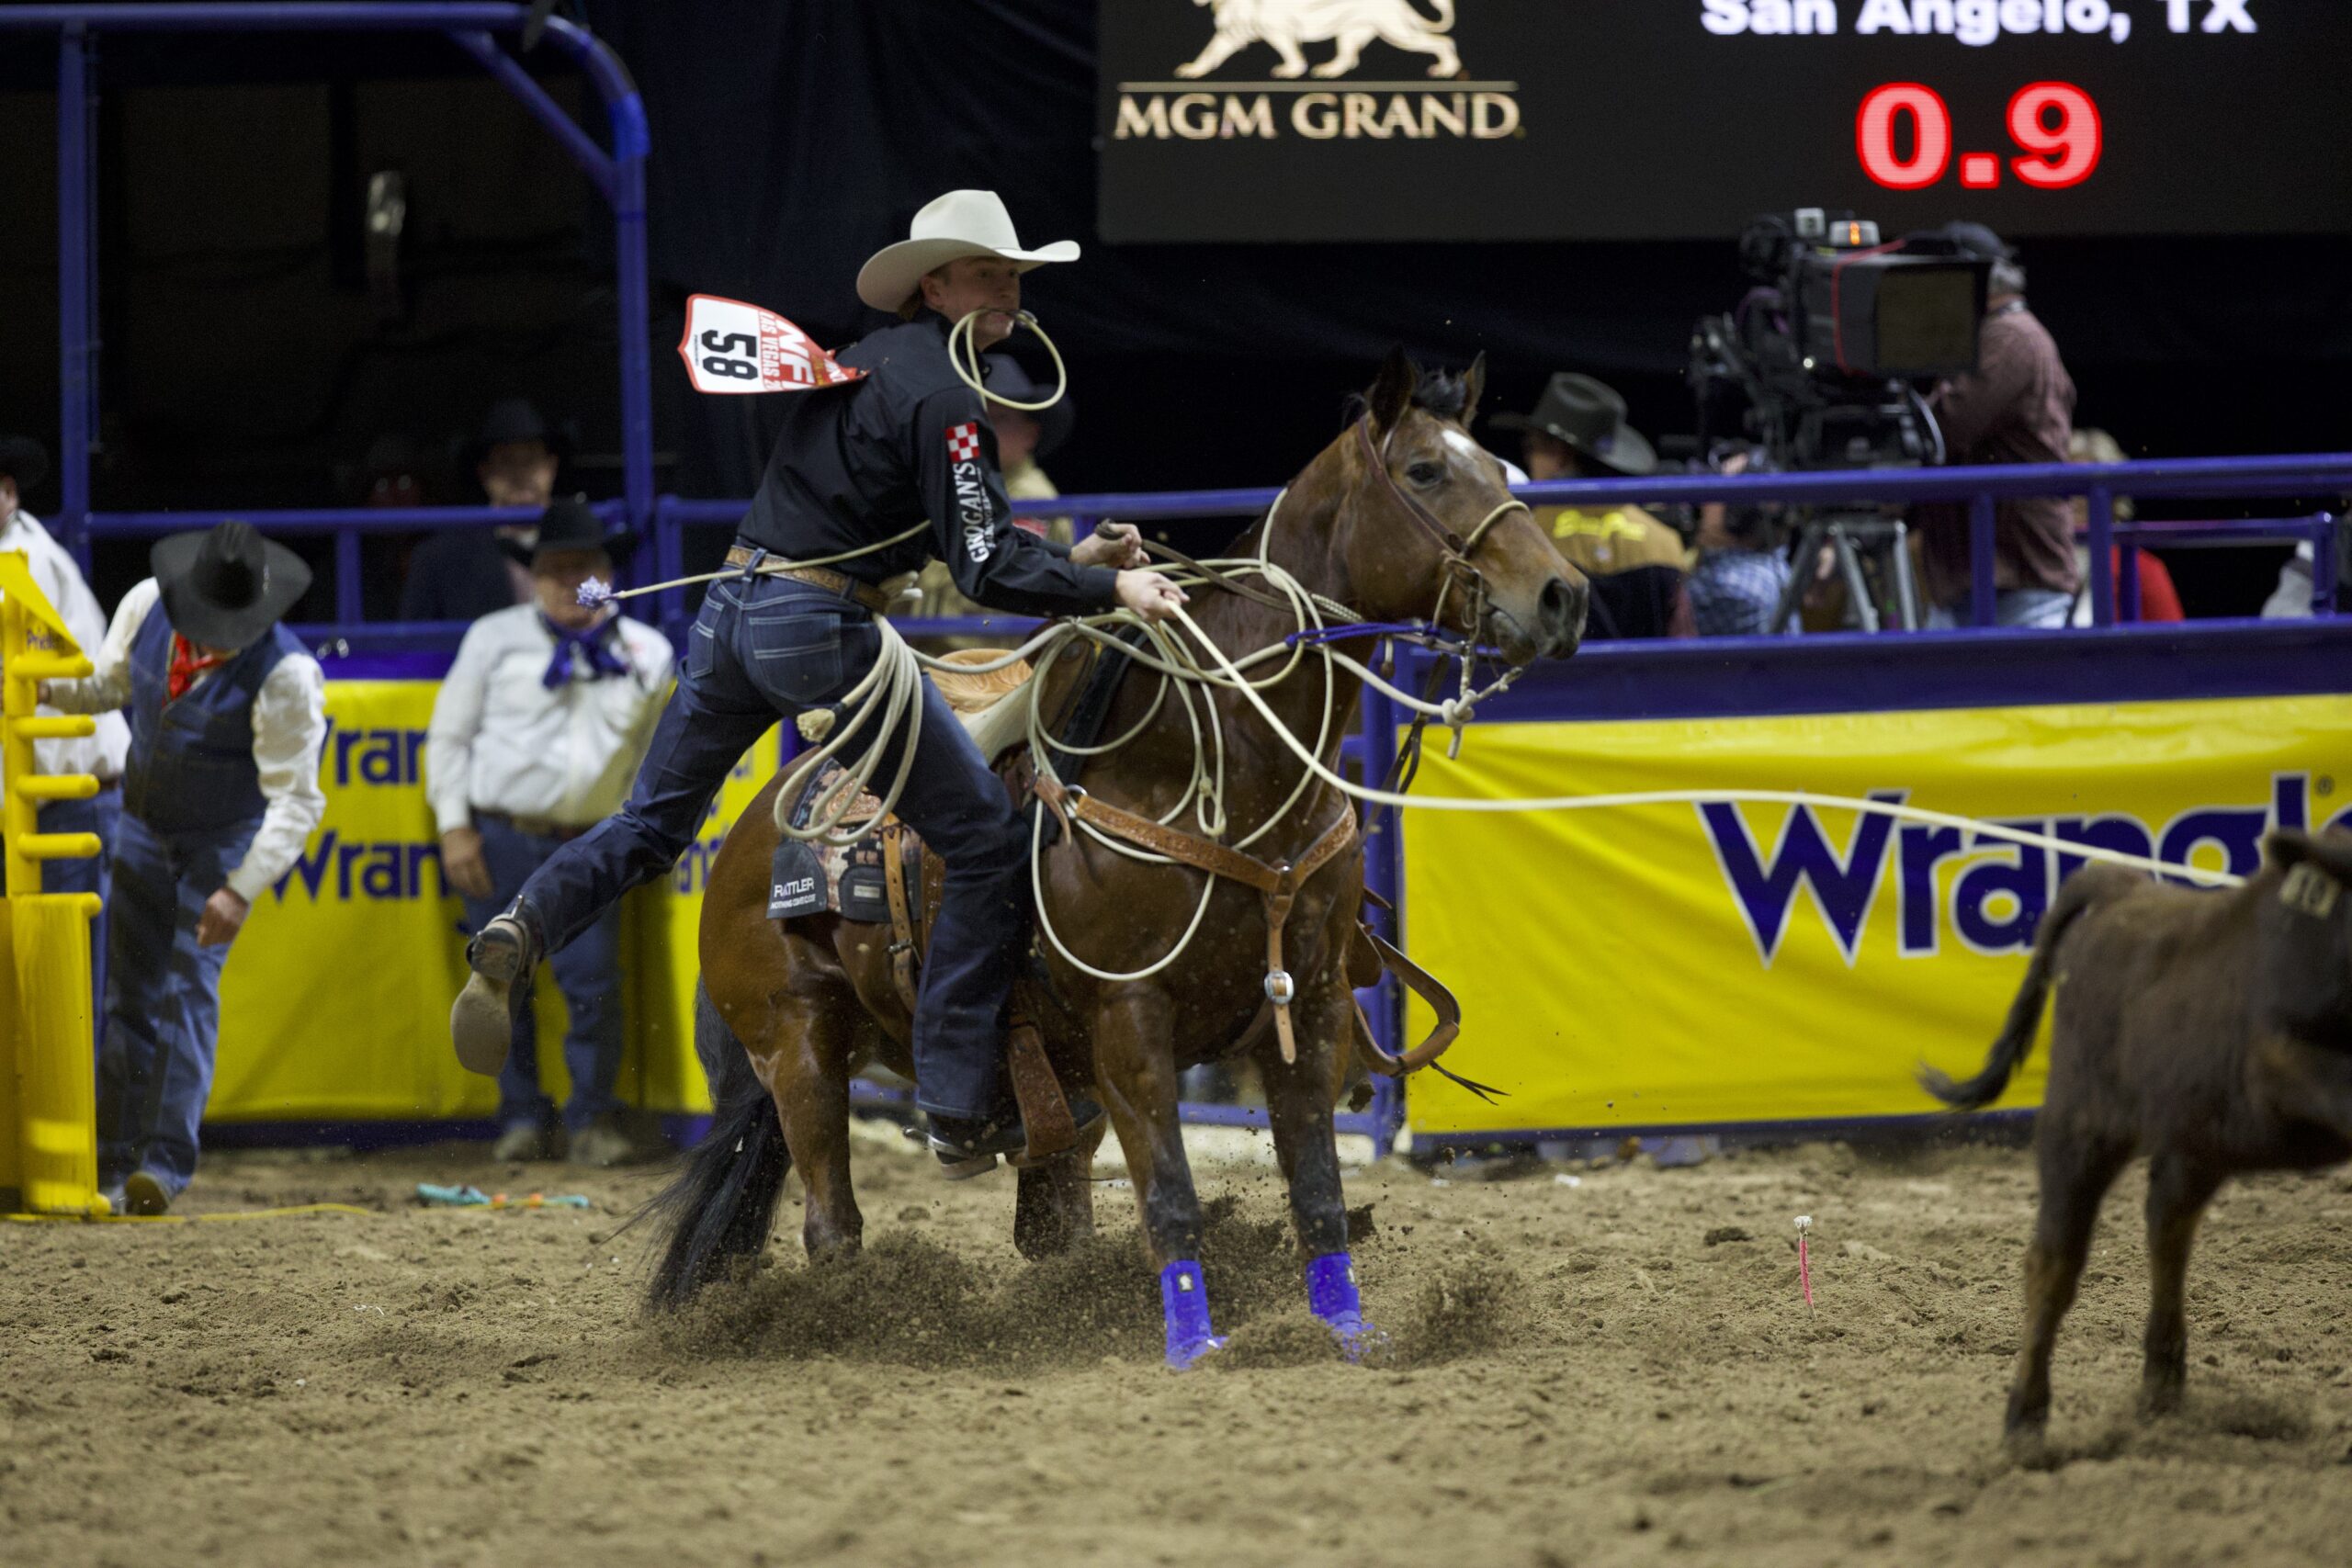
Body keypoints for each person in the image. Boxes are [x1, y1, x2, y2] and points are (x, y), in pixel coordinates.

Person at [449, 189, 1186, 1174]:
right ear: (936, 285)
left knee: (649, 827)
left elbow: (915, 527)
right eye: (986, 272)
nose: (1007, 288)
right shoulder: (951, 402)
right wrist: (1110, 585)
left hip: (734, 609)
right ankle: (961, 1103)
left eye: (1013, 274)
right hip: (821, 632)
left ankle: (521, 923)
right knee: (981, 841)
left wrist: (1074, 559)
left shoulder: (867, 364)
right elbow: (981, 572)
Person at [41, 522, 326, 1215]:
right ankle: (114, 1162)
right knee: (128, 997)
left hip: (220, 842)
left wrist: (239, 888)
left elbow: (296, 799)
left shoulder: (286, 675)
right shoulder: (145, 605)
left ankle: (163, 1165)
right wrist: (45, 688)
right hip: (141, 825)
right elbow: (110, 685)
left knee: (188, 990)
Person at [426, 498, 674, 1165]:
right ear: (533, 576)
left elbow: (658, 762)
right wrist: (454, 829)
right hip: (500, 833)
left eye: (583, 567)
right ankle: (522, 1118)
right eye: (555, 569)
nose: (569, 581)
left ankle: (593, 1120)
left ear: (606, 574)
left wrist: (646, 844)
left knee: (594, 985)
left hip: (592, 843)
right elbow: (448, 738)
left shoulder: (649, 654)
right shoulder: (493, 637)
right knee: (499, 981)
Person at [0, 434, 131, 1033]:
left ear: (7, 494)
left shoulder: (28, 564)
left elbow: (39, 700)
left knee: (65, 990)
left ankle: (87, 1128)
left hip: (62, 798)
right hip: (36, 802)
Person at [1915, 223, 2079, 628]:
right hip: (1977, 576)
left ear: (1975, 280)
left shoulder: (2010, 336)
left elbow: (1946, 428)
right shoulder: (1989, 335)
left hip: (2014, 577)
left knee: (2024, 692)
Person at [1490, 374, 1692, 638]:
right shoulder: (1664, 541)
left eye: (1530, 447)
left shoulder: (1523, 533)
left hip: (1556, 680)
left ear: (1560, 456)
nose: (1528, 459)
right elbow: (1681, 641)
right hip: (1644, 678)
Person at [909, 355, 1077, 627]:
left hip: (989, 656)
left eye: (998, 419)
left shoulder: (1030, 496)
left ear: (1030, 434)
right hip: (950, 652)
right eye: (972, 418)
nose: (980, 430)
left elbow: (998, 581)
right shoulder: (957, 482)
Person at [399, 399, 567, 624]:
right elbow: (415, 649)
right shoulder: (439, 558)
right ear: (485, 473)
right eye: (506, 461)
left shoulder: (587, 544)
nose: (520, 474)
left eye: (530, 460)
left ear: (551, 467)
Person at [2065, 428, 2182, 625]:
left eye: (2085, 488)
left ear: (2113, 497)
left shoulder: (2142, 571)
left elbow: (2177, 650)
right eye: (2068, 486)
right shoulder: (2033, 566)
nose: (2076, 499)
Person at [1685, 451, 1797, 637]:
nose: (1701, 505)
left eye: (1711, 494)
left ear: (1736, 515)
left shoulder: (1730, 587)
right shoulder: (1769, 566)